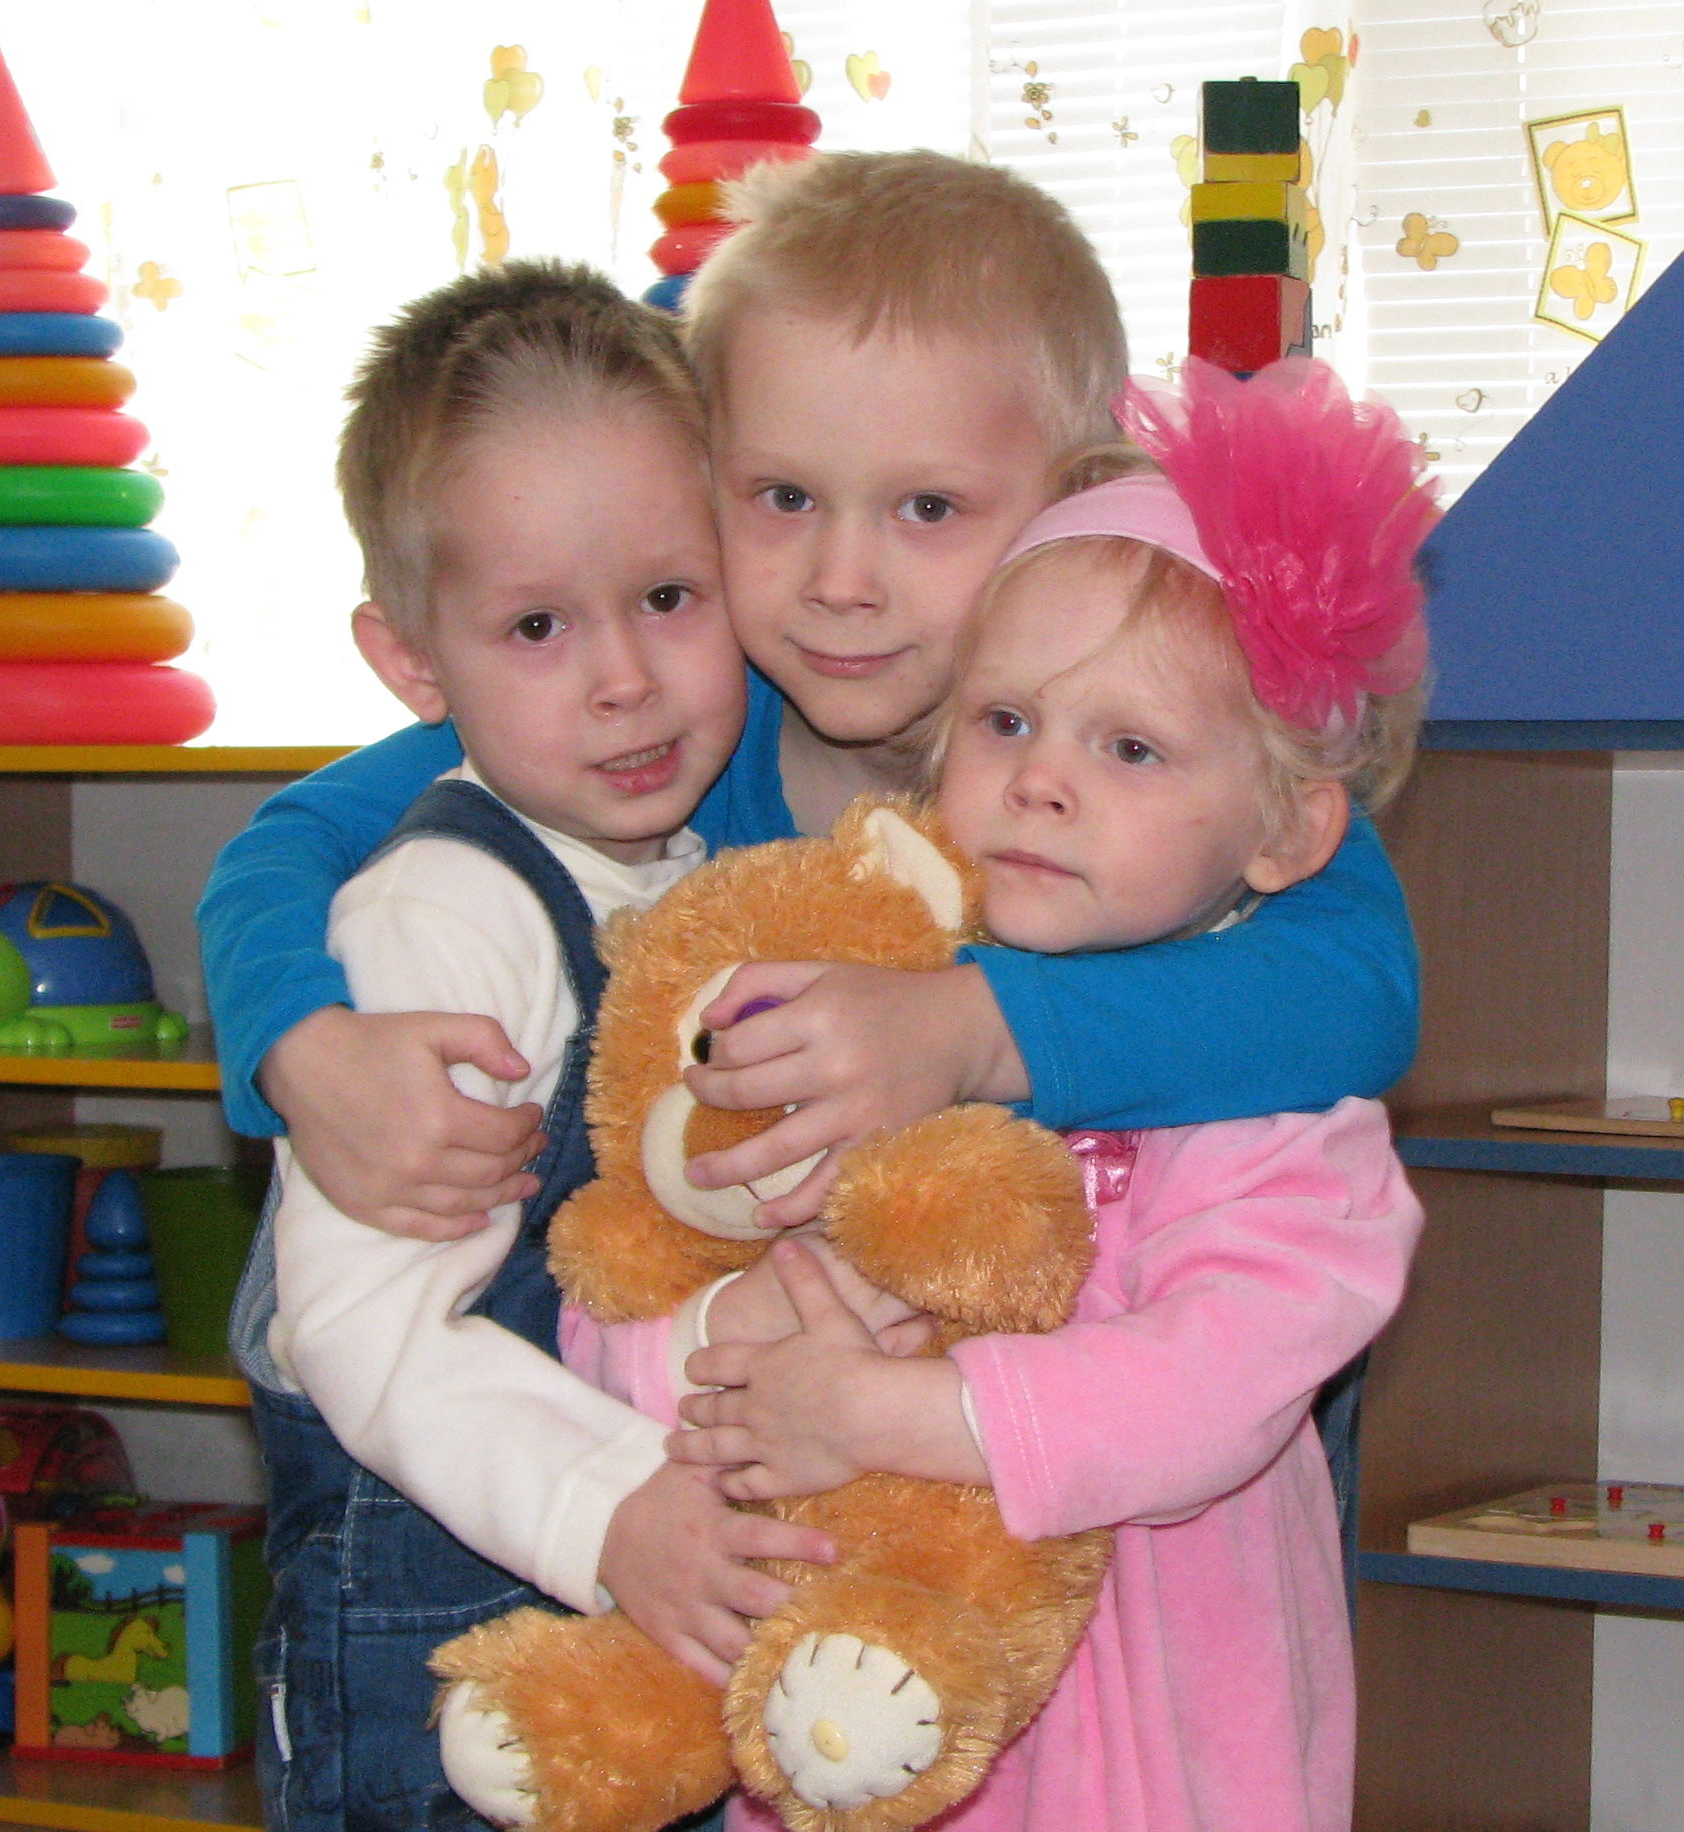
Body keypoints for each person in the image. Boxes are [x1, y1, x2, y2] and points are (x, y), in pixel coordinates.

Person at [194, 152, 1422, 1263]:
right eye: (783, 497)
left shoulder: (1150, 755)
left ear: (1075, 493)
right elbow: (292, 841)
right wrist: (300, 1048)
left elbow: (1356, 986)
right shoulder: (672, 725)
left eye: (927, 508)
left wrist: (976, 1028)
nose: (839, 583)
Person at [611, 360, 1436, 1832]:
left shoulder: (1281, 1122)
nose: (1043, 781)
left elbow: (1208, 1397)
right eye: (1005, 722)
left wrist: (885, 1412)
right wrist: (724, 1338)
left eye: (1130, 747)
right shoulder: (872, 1016)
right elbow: (639, 1260)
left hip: (1157, 1766)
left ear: (1284, 829)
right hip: (843, 1718)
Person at [240, 262, 914, 1831]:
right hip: (444, 1665)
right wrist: (608, 1508)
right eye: (538, 625)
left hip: (651, 1640)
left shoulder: (689, 876)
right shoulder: (444, 916)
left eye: (669, 598)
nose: (625, 678)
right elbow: (359, 1329)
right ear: (412, 661)